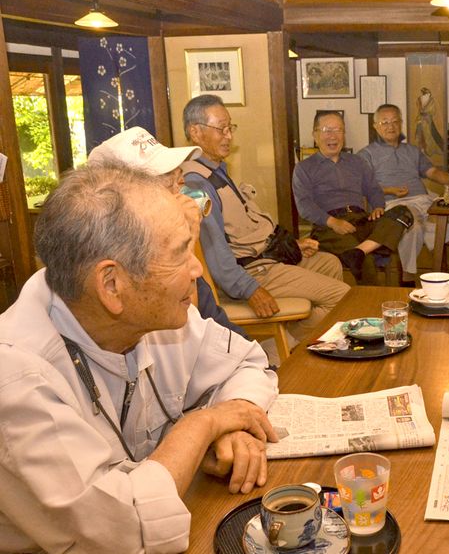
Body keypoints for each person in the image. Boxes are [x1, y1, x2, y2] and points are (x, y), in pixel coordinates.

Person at [0, 163, 279, 552]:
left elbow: (248, 362)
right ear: (112, 285)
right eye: (181, 253)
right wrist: (203, 425)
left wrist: (235, 419)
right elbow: (121, 532)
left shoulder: (156, 318)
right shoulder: (15, 380)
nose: (198, 269)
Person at [181, 95, 349, 343]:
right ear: (195, 132)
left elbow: (246, 229)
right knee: (342, 296)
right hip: (254, 271)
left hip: (266, 257)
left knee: (330, 263)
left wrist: (293, 245)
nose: (229, 136)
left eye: (230, 128)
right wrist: (250, 289)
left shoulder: (217, 171)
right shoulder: (197, 185)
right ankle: (282, 345)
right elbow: (215, 254)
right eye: (221, 129)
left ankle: (310, 337)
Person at [87, 126, 247, 338]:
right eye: (169, 180)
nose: (183, 187)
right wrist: (187, 240)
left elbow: (214, 327)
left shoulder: (166, 250)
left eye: (180, 177)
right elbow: (187, 330)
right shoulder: (129, 270)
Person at [292, 111, 413, 284]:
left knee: (403, 213)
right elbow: (304, 206)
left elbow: (373, 189)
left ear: (344, 134)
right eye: (327, 130)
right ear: (315, 135)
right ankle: (369, 305)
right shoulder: (304, 168)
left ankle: (359, 251)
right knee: (366, 261)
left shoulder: (357, 162)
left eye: (338, 130)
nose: (333, 136)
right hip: (328, 227)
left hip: (361, 220)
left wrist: (378, 206)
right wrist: (333, 222)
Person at [358, 104, 449, 282]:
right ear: (375, 126)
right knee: (413, 226)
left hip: (424, 200)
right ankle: (409, 277)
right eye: (385, 122)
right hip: (393, 205)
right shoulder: (366, 154)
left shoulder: (412, 150)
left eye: (395, 121)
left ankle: (426, 242)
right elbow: (362, 186)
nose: (391, 126)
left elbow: (432, 172)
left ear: (401, 123)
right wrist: (390, 190)